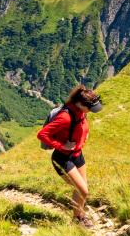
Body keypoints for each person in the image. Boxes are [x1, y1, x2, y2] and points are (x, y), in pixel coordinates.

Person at [36, 85, 100, 223]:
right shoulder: (65, 117)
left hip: (78, 155)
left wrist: (85, 135)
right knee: (83, 190)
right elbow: (42, 134)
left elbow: (83, 125)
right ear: (81, 104)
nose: (91, 111)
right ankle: (77, 220)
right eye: (90, 108)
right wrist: (61, 145)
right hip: (62, 158)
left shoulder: (82, 112)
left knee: (82, 189)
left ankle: (80, 216)